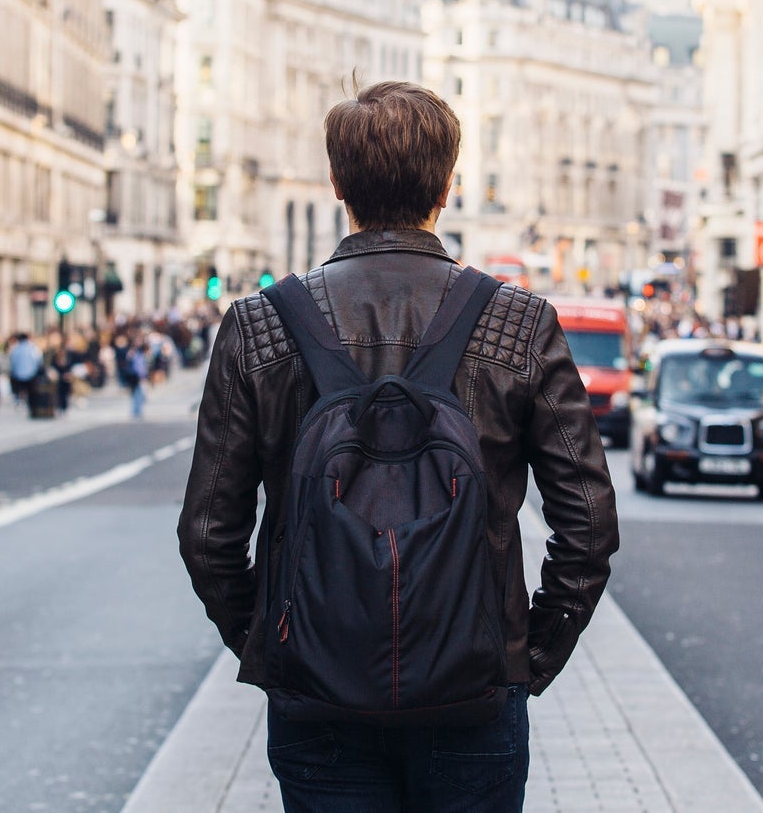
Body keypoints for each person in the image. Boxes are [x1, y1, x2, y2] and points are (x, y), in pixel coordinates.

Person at [178, 81, 617, 812]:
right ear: (448, 186)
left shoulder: (259, 324)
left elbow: (207, 534)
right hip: (476, 689)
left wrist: (275, 645)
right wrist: (525, 655)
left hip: (317, 696)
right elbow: (588, 523)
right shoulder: (520, 322)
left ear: (335, 185)